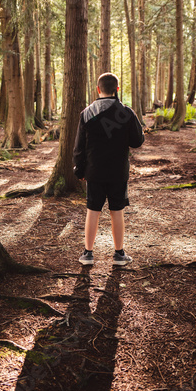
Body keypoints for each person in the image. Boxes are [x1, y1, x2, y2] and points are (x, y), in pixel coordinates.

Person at [73, 72, 144, 266]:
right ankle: (119, 254)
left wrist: (79, 170)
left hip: (94, 172)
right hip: (118, 171)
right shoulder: (126, 112)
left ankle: (88, 254)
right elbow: (138, 141)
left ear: (98, 89)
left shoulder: (86, 113)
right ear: (117, 90)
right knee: (117, 210)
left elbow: (79, 146)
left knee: (92, 210)